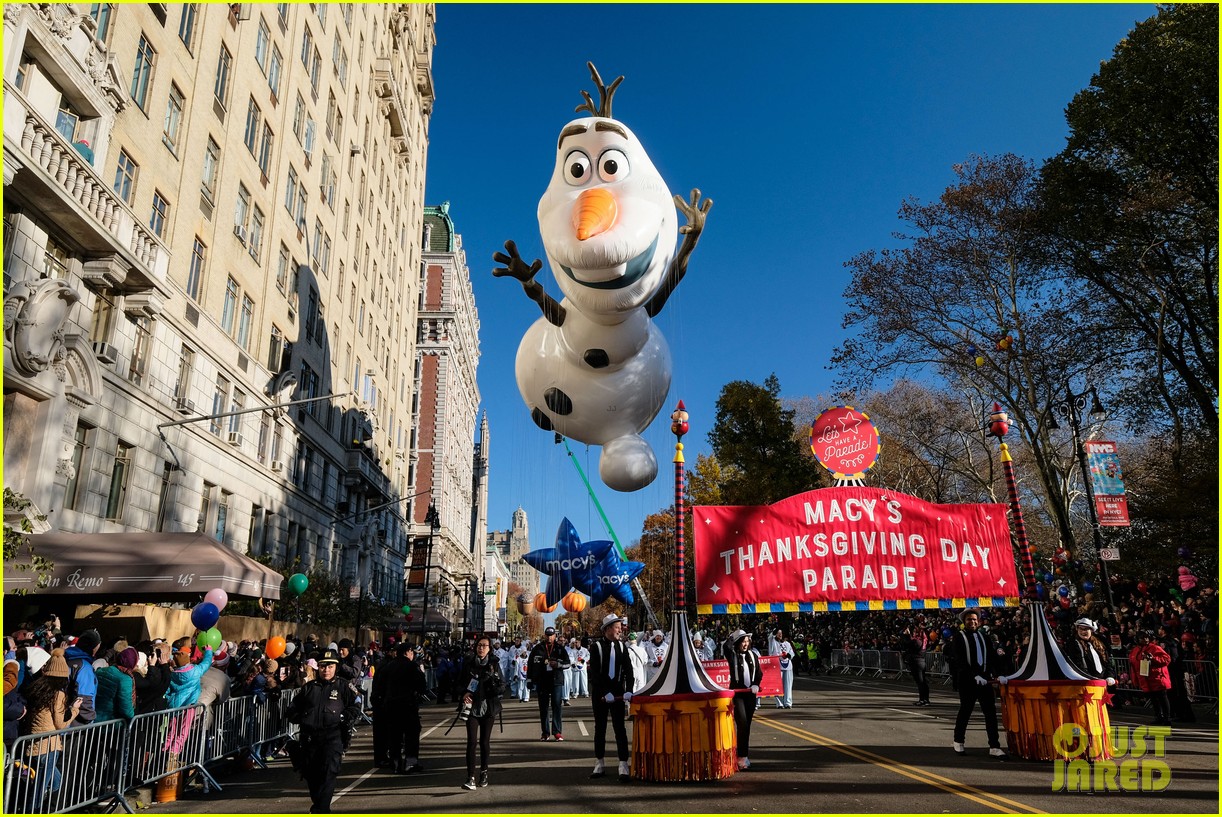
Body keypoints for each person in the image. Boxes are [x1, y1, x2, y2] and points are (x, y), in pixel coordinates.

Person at [287, 648, 361, 813]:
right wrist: (299, 717)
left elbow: (356, 704)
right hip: (310, 738)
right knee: (311, 775)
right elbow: (293, 708)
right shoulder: (309, 688)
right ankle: (319, 805)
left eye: (330, 666)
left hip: (333, 737)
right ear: (318, 667)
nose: (326, 670)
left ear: (336, 668)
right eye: (322, 666)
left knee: (328, 773)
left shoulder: (343, 686)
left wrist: (346, 716)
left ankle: (322, 810)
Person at [20, 649, 81, 810]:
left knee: (55, 781)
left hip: (33, 744)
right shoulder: (58, 694)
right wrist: (74, 710)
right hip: (48, 747)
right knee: (38, 792)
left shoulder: (36, 689)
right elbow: (60, 724)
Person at [944, 610, 1007, 758]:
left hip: (984, 680)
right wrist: (974, 675)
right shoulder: (959, 637)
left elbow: (992, 657)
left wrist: (999, 674)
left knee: (990, 713)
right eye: (969, 619)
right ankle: (958, 741)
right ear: (964, 622)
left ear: (978, 621)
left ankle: (994, 746)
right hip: (967, 681)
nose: (972, 622)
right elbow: (959, 659)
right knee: (965, 711)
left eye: (974, 619)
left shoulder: (984, 637)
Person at [587, 614, 634, 782]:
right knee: (600, 728)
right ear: (607, 629)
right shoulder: (596, 647)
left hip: (617, 693)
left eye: (620, 627)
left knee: (620, 728)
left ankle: (623, 764)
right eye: (617, 627)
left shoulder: (622, 647)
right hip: (601, 694)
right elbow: (595, 673)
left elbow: (628, 670)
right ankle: (599, 763)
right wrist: (604, 692)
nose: (620, 630)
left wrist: (629, 690)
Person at [457, 636, 505, 790]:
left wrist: (493, 685)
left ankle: (484, 772)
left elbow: (502, 686)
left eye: (484, 645)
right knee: (471, 742)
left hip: (488, 708)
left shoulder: (494, 664)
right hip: (471, 708)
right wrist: (464, 693)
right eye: (479, 645)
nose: (481, 648)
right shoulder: (468, 663)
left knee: (484, 742)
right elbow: (458, 684)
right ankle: (470, 777)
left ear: (489, 648)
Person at [372, 642, 426, 773]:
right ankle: (410, 763)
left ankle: (395, 763)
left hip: (391, 706)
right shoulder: (412, 666)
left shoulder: (388, 667)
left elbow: (379, 686)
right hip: (408, 705)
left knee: (394, 736)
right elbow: (421, 686)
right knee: (411, 735)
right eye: (412, 652)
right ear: (408, 652)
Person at [723, 629, 762, 771]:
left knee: (747, 726)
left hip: (750, 694)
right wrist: (732, 636)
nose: (745, 644)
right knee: (742, 723)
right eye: (742, 641)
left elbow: (759, 673)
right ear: (738, 643)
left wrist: (756, 684)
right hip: (738, 694)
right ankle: (740, 756)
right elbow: (726, 647)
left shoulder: (753, 655)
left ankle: (743, 756)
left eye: (747, 641)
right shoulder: (732, 655)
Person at [527, 627, 570, 740]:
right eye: (547, 635)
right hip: (542, 681)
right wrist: (529, 680)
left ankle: (557, 732)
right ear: (544, 635)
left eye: (551, 635)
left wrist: (558, 665)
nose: (549, 637)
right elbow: (530, 664)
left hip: (556, 680)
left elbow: (568, 663)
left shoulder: (560, 649)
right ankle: (545, 732)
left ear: (555, 636)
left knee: (557, 705)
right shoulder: (537, 648)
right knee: (543, 707)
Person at [1128, 630, 1172, 725]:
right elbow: (1133, 666)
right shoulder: (1135, 650)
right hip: (1145, 679)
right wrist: (1135, 680)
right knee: (1154, 700)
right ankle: (1159, 717)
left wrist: (1153, 659)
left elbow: (1167, 659)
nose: (1145, 639)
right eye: (1143, 638)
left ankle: (1167, 718)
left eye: (1147, 637)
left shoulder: (1155, 648)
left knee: (1162, 699)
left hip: (1157, 678)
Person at [63, 628, 100, 725]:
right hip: (74, 724)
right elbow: (83, 698)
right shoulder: (84, 667)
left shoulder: (64, 658)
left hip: (59, 717)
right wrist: (89, 718)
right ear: (94, 648)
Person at [1063, 618, 1116, 684]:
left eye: (1086, 629)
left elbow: (1108, 662)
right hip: (1086, 683)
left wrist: (1110, 676)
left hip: (1103, 683)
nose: (1083, 632)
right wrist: (1090, 678)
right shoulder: (1073, 644)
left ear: (1091, 630)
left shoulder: (1100, 642)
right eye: (1080, 629)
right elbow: (1077, 664)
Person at [94, 647, 138, 723]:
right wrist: (132, 715)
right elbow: (126, 710)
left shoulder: (101, 671)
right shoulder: (125, 679)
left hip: (94, 718)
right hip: (110, 722)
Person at [898, 625, 931, 706]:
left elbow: (906, 644)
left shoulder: (916, 642)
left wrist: (905, 635)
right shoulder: (922, 642)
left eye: (915, 632)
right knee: (923, 682)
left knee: (920, 682)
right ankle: (925, 699)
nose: (914, 634)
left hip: (916, 663)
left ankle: (922, 700)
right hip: (921, 662)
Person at [769, 629, 795, 708]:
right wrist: (773, 631)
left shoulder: (788, 644)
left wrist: (789, 655)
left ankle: (788, 703)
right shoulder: (773, 642)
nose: (780, 635)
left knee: (788, 686)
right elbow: (770, 637)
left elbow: (792, 653)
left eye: (781, 633)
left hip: (788, 666)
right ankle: (779, 703)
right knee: (778, 686)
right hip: (777, 667)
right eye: (778, 633)